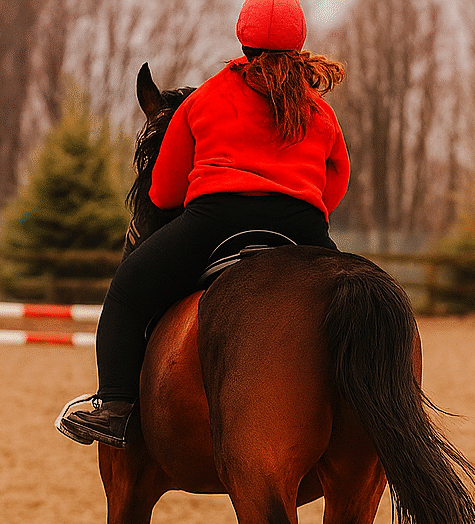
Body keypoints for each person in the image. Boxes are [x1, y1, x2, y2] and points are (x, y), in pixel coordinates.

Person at [58, 0, 350, 449]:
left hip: (217, 220)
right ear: (299, 45)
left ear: (243, 41)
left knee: (126, 294)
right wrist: (306, 210)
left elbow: (164, 192)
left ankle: (115, 409)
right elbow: (336, 181)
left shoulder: (206, 98)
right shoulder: (319, 110)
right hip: (302, 227)